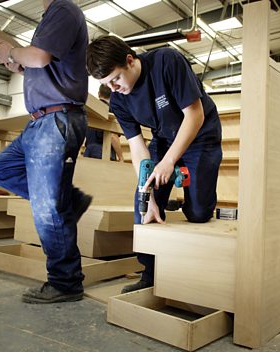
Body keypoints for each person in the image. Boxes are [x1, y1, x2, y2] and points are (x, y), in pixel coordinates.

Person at [86, 36, 222, 293]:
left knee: (199, 214)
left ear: (129, 60)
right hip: (164, 136)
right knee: (142, 203)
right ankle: (150, 272)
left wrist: (170, 161)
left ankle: (190, 205)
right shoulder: (118, 100)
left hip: (201, 134)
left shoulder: (166, 61)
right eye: (106, 84)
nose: (113, 88)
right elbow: (138, 148)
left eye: (115, 79)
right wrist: (147, 195)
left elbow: (195, 114)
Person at [0, 0, 91, 304]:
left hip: (55, 119)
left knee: (48, 209)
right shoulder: (51, 16)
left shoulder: (63, 9)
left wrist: (11, 51)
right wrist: (14, 61)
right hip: (40, 121)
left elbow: (39, 56)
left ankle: (66, 282)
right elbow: (34, 63)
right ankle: (70, 201)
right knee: (0, 170)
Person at [83, 85, 124, 161]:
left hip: (88, 150)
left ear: (99, 94)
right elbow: (113, 136)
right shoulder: (111, 112)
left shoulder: (90, 110)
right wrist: (121, 157)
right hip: (104, 151)